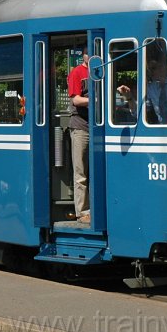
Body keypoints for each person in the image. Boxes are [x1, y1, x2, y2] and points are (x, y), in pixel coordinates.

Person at [66, 48, 90, 225]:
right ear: (83, 55)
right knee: (80, 172)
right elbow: (76, 100)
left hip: (98, 128)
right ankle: (82, 213)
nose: (90, 56)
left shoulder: (101, 70)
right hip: (80, 127)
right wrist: (97, 99)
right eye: (88, 52)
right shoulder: (77, 72)